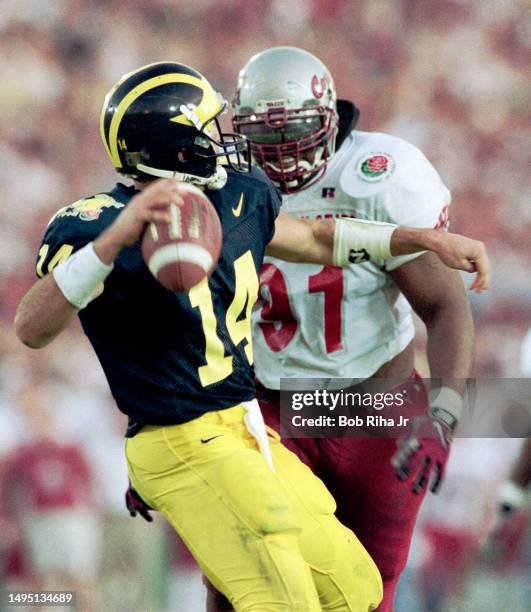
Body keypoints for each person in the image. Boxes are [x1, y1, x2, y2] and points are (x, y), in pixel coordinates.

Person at [15, 61, 488, 612]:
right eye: (206, 129)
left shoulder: (236, 198)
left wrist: (424, 240)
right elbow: (30, 326)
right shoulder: (93, 224)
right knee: (270, 600)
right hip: (196, 433)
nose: (227, 141)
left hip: (251, 421)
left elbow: (316, 238)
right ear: (175, 149)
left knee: (357, 587)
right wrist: (115, 240)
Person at [196, 46, 481, 612]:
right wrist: (163, 425)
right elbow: (194, 316)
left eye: (293, 134)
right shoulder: (224, 187)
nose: (278, 154)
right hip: (272, 408)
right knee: (241, 583)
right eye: (263, 137)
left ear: (328, 121)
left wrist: (444, 413)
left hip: (373, 407)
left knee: (369, 594)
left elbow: (445, 306)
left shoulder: (380, 175)